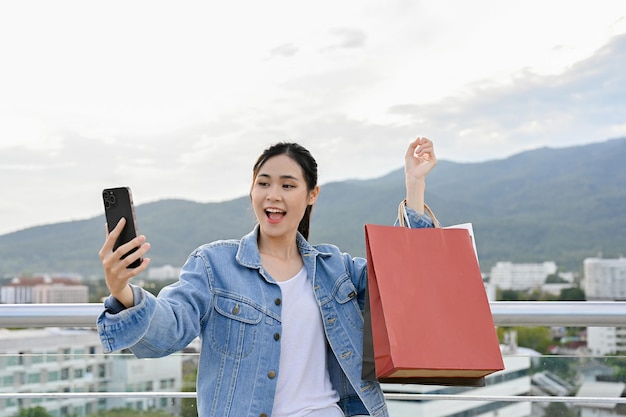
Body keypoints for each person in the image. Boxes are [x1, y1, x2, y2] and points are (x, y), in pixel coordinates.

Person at [97, 137, 438, 417]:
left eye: (288, 185)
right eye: (264, 183)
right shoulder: (214, 265)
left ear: (311, 195)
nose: (273, 195)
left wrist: (415, 184)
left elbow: (401, 278)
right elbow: (169, 329)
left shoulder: (337, 268)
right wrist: (122, 290)